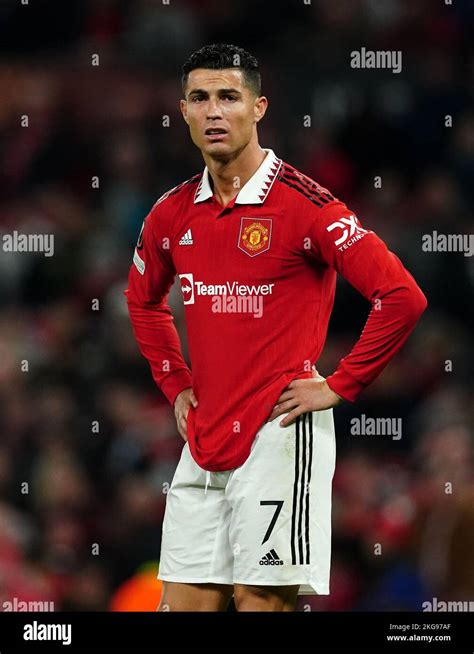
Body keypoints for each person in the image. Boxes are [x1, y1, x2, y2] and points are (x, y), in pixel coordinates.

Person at [124, 43, 427, 611]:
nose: (214, 111)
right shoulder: (170, 213)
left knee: (261, 603)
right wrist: (175, 383)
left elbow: (402, 297)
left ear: (258, 108)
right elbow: (143, 301)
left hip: (279, 435)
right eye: (200, 98)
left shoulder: (307, 205)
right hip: (204, 437)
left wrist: (341, 385)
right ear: (183, 111)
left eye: (228, 97)